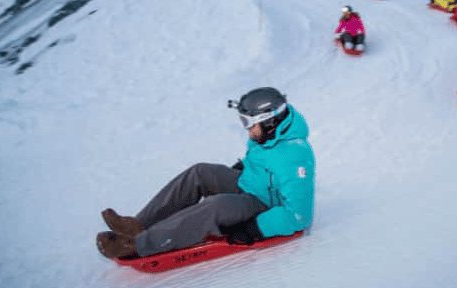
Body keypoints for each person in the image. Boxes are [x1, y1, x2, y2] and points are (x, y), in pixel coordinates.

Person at [96, 87, 315, 259]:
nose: (246, 128)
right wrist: (242, 167)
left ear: (270, 121)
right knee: (200, 172)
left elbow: (299, 216)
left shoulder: (295, 159)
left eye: (249, 123)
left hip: (264, 206)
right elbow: (260, 161)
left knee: (215, 206)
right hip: (249, 184)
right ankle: (139, 225)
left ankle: (141, 244)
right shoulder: (269, 135)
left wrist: (255, 228)